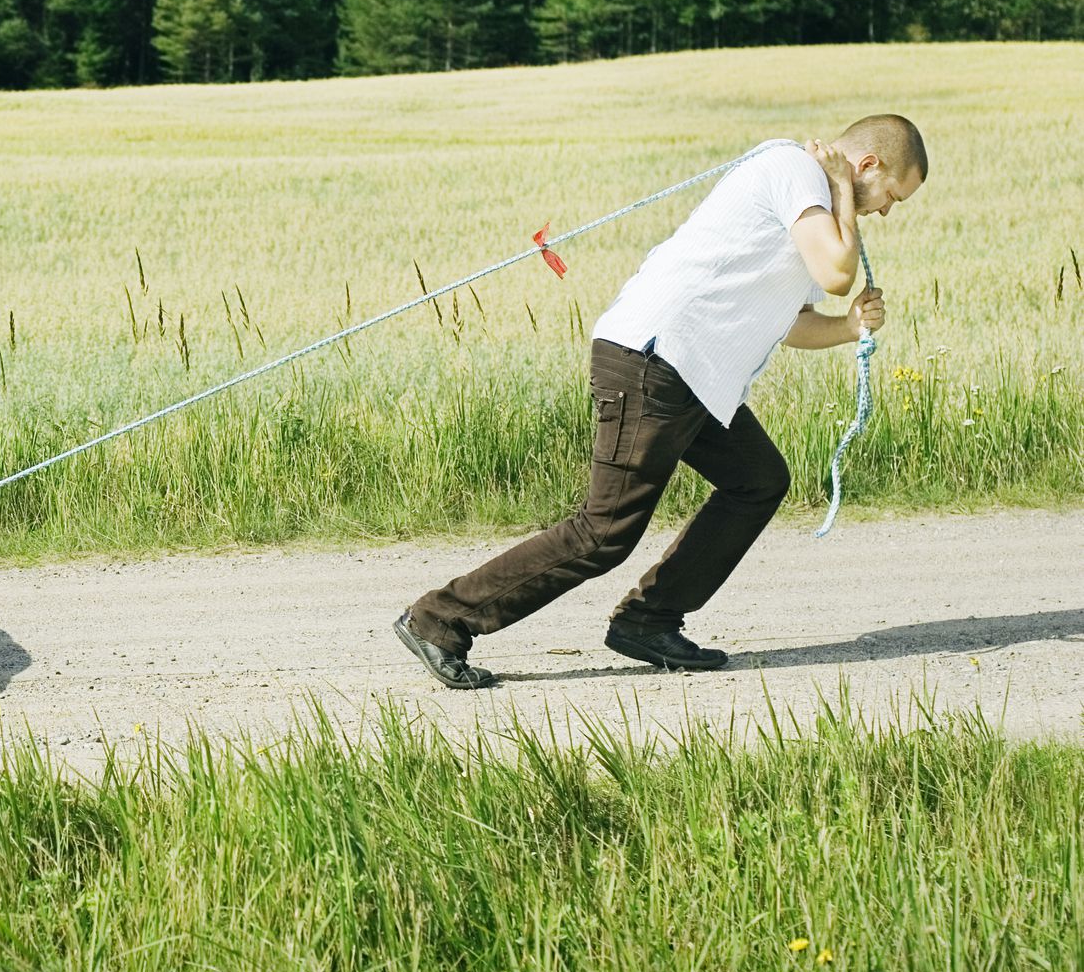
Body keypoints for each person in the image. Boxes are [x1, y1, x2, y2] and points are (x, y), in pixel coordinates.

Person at [394, 115, 928, 688]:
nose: (886, 210)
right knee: (604, 532)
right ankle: (439, 620)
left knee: (758, 479)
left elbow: (792, 319)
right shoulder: (797, 173)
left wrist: (846, 329)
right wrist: (845, 191)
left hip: (694, 376)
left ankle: (649, 620)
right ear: (867, 164)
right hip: (655, 361)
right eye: (890, 194)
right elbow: (836, 272)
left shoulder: (814, 209)